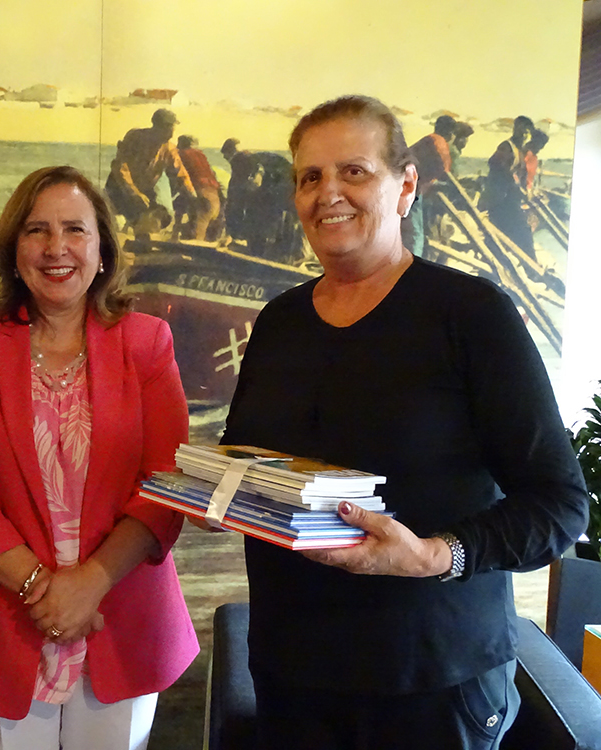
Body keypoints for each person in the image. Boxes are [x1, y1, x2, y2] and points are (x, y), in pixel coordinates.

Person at [218, 96, 588, 749]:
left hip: (433, 681)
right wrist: (213, 489)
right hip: (292, 675)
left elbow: (559, 505)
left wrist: (432, 555)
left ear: (406, 185)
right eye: (310, 177)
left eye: (354, 171)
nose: (328, 193)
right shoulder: (277, 323)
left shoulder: (472, 315)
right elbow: (247, 457)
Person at [0, 165, 199, 749]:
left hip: (121, 617)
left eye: (75, 229)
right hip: (1, 621)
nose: (56, 247)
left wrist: (89, 585)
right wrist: (43, 591)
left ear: (102, 249)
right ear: (13, 249)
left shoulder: (147, 342)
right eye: (36, 230)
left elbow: (167, 482)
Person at [105, 109, 198, 237]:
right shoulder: (135, 138)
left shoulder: (169, 148)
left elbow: (181, 174)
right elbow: (121, 168)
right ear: (157, 127)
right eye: (168, 128)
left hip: (145, 189)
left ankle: (140, 237)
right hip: (119, 186)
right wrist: (134, 193)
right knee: (116, 220)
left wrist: (193, 195)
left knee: (162, 216)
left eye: (172, 128)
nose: (171, 133)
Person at [219, 138, 299, 262]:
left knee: (259, 225)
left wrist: (232, 231)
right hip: (287, 191)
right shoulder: (256, 158)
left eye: (225, 156)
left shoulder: (240, 161)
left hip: (278, 192)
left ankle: (262, 254)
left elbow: (236, 198)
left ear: (228, 154)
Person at [481, 115, 536, 257]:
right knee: (522, 229)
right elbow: (494, 164)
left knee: (502, 232)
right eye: (522, 131)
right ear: (515, 129)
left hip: (510, 199)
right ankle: (531, 264)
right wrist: (512, 182)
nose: (524, 135)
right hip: (500, 198)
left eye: (527, 132)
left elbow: (521, 175)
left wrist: (525, 189)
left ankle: (495, 259)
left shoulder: (520, 151)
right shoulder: (506, 146)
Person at [403, 114, 456, 256]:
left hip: (407, 186)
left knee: (409, 230)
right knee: (415, 233)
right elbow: (445, 173)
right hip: (414, 190)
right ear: (451, 132)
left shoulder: (427, 140)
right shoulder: (439, 144)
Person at [173, 135, 223, 242]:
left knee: (196, 237)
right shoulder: (201, 155)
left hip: (200, 195)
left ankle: (175, 235)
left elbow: (178, 178)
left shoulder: (180, 154)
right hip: (215, 198)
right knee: (202, 236)